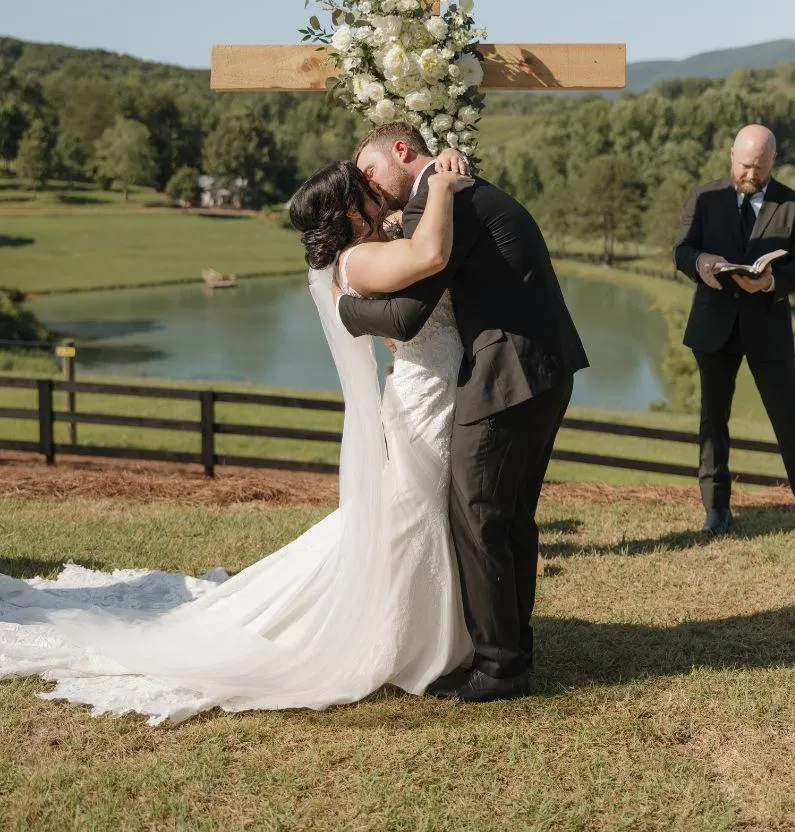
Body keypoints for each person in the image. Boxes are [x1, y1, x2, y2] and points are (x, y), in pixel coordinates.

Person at [0, 148, 476, 723]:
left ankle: (418, 629)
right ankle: (409, 638)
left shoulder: (361, 253)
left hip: (425, 388)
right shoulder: (362, 260)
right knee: (413, 514)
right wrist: (441, 188)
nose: (380, 194)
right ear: (352, 210)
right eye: (368, 190)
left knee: (408, 514)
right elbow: (429, 256)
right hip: (424, 395)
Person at [337, 122, 589, 702]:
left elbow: (406, 318)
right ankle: (512, 650)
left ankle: (499, 667)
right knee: (510, 516)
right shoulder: (457, 188)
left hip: (508, 371)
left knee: (477, 513)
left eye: (371, 171)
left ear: (402, 151)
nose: (369, 186)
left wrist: (345, 308)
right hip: (544, 367)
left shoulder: (438, 196)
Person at [673, 124, 795, 533]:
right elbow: (682, 250)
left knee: (791, 421)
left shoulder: (794, 205)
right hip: (714, 327)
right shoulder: (704, 197)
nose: (750, 174)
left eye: (759, 168)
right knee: (713, 421)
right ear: (732, 154)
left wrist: (772, 281)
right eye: (745, 165)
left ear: (773, 161)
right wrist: (700, 262)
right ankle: (716, 510)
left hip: (769, 329)